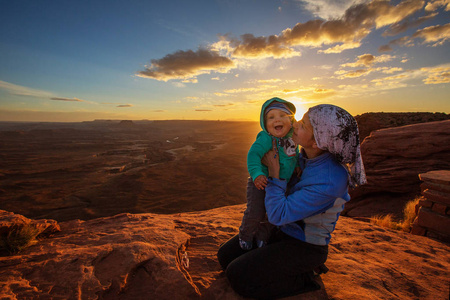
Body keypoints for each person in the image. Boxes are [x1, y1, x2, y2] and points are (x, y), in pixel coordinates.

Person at [217, 104, 367, 299]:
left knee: (239, 277)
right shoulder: (304, 155)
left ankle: (304, 276)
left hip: (304, 245)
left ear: (318, 142)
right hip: (283, 230)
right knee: (225, 256)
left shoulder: (331, 179)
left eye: (303, 125)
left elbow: (278, 214)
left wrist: (275, 174)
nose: (295, 124)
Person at [239, 97, 298, 250]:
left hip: (281, 183)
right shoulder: (265, 138)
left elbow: (294, 157)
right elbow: (253, 155)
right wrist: (257, 174)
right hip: (261, 182)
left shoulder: (293, 138)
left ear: (291, 120)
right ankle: (245, 236)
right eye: (271, 117)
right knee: (255, 212)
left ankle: (262, 237)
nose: (276, 120)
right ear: (264, 124)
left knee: (273, 214)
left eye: (282, 115)